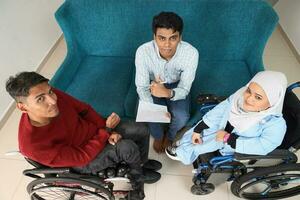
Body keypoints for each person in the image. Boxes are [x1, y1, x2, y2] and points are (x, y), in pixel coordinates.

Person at [6, 72, 161, 200]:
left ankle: (141, 164)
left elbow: (84, 110)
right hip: (82, 160)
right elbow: (82, 157)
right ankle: (136, 181)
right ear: (22, 107)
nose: (53, 100)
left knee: (140, 128)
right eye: (41, 99)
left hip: (95, 133)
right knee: (128, 147)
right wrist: (105, 131)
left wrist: (105, 128)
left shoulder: (53, 96)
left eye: (50, 91)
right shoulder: (33, 144)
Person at [165, 71, 287, 165]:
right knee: (196, 130)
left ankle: (183, 153)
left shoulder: (275, 124)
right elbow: (220, 110)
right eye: (249, 90)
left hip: (233, 142)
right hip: (221, 127)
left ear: (273, 102)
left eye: (258, 97)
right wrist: (199, 128)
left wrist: (229, 139)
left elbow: (264, 145)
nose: (249, 98)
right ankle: (184, 143)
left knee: (204, 144)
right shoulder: (239, 96)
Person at [135, 11, 199, 153]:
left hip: (176, 85)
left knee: (182, 116)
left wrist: (168, 93)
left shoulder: (191, 53)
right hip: (153, 84)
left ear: (180, 37)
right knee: (149, 114)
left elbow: (185, 87)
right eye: (162, 38)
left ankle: (170, 135)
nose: (167, 45)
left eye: (173, 38)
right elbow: (142, 87)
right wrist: (156, 111)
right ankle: (158, 136)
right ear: (154, 37)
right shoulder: (143, 51)